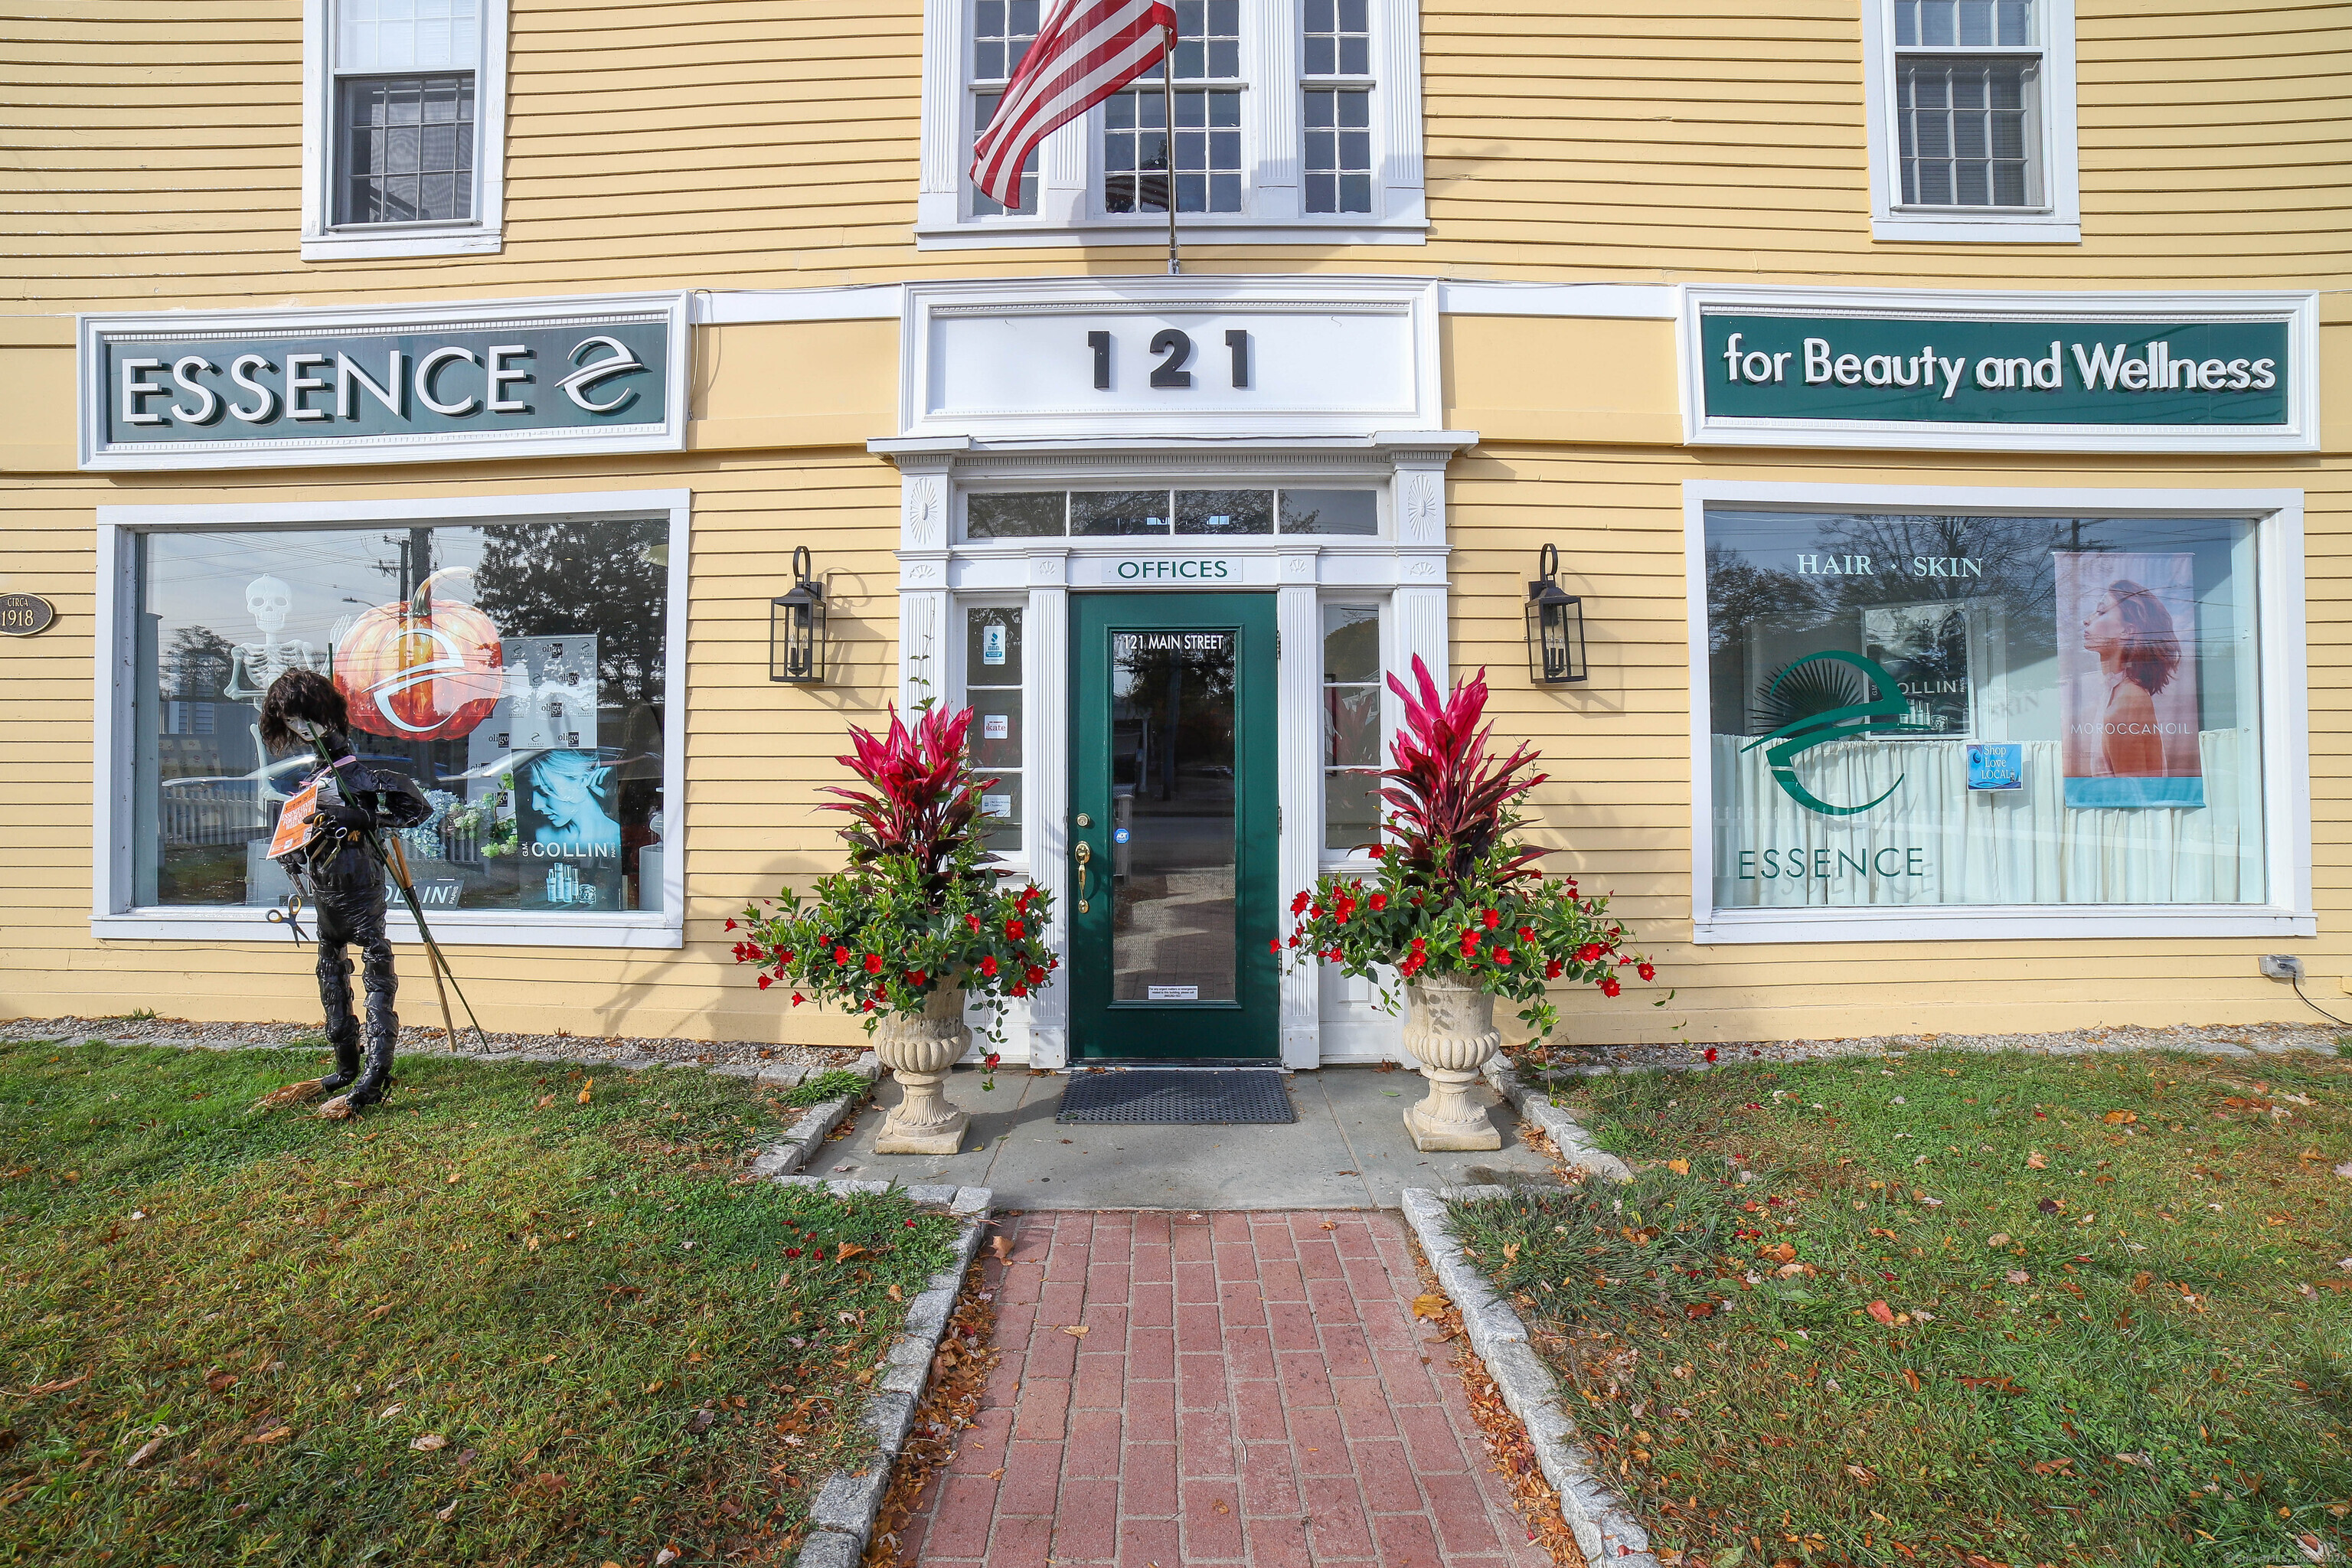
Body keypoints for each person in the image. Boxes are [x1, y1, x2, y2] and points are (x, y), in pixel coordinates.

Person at [257, 669, 432, 1115]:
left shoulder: (365, 778)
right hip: (325, 890)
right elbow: (302, 833)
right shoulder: (310, 787)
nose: (303, 731)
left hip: (360, 885)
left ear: (329, 717)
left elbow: (417, 810)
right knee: (329, 968)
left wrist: (368, 820)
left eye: (307, 720)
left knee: (376, 966)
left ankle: (375, 1073)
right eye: (293, 724)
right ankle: (344, 1064)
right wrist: (293, 851)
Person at [2080, 578, 2182, 778]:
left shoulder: (2127, 701)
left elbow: (2134, 796)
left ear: (2127, 631)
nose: (2087, 620)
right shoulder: (2117, 693)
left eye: (2101, 612)